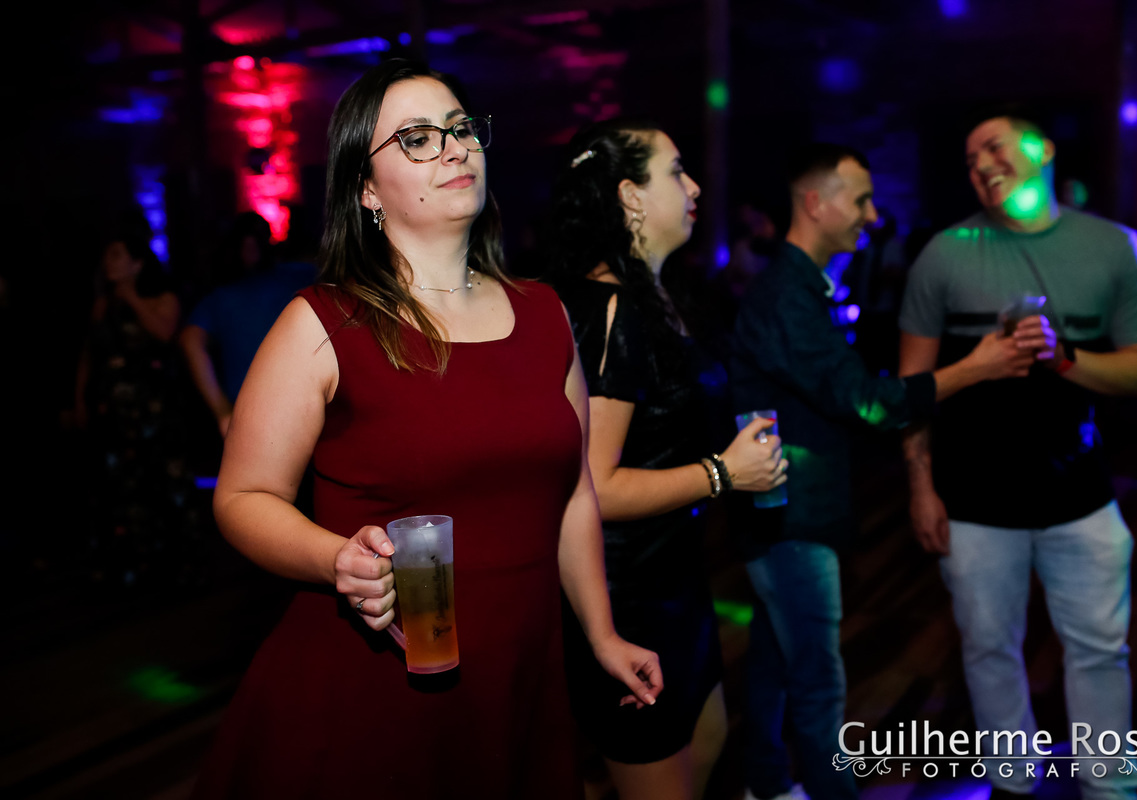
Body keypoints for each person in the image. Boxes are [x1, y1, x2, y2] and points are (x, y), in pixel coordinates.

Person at [192, 58, 662, 800]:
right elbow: (243, 496)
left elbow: (573, 493)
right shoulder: (323, 324)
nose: (454, 147)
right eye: (416, 138)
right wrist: (335, 558)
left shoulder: (544, 313)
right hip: (371, 688)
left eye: (460, 128)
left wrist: (601, 634)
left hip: (521, 677)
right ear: (366, 189)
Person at [729, 143, 1039, 800]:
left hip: (787, 509)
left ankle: (764, 782)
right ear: (816, 203)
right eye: (862, 200)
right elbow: (866, 403)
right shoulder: (786, 294)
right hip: (791, 517)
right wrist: (974, 368)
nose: (873, 216)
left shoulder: (802, 287)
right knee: (818, 681)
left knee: (775, 658)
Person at [898, 109, 1137, 800]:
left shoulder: (1114, 246)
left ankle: (1110, 787)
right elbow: (911, 388)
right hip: (973, 499)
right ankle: (1013, 783)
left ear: (1042, 149)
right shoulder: (945, 252)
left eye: (993, 146)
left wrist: (1064, 357)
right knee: (989, 651)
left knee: (1099, 651)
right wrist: (921, 487)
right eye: (969, 159)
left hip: (1079, 495)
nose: (981, 165)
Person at [543, 119, 784, 800]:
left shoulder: (654, 298)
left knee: (705, 740)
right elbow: (593, 487)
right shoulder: (612, 310)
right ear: (630, 196)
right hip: (626, 594)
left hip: (675, 575)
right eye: (676, 171)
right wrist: (723, 473)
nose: (696, 186)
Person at [73, 231, 193, 589]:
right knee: (121, 488)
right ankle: (131, 567)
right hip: (113, 411)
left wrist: (132, 298)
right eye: (107, 255)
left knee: (165, 483)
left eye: (117, 255)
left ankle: (178, 566)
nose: (109, 262)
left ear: (137, 263)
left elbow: (165, 334)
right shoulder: (101, 305)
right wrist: (79, 399)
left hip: (155, 409)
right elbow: (88, 356)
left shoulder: (162, 298)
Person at [179, 212, 316, 438]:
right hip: (266, 411)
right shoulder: (222, 296)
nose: (250, 247)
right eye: (246, 241)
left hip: (296, 405)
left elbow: (190, 340)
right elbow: (190, 340)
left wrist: (222, 412)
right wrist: (223, 412)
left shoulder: (295, 276)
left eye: (255, 240)